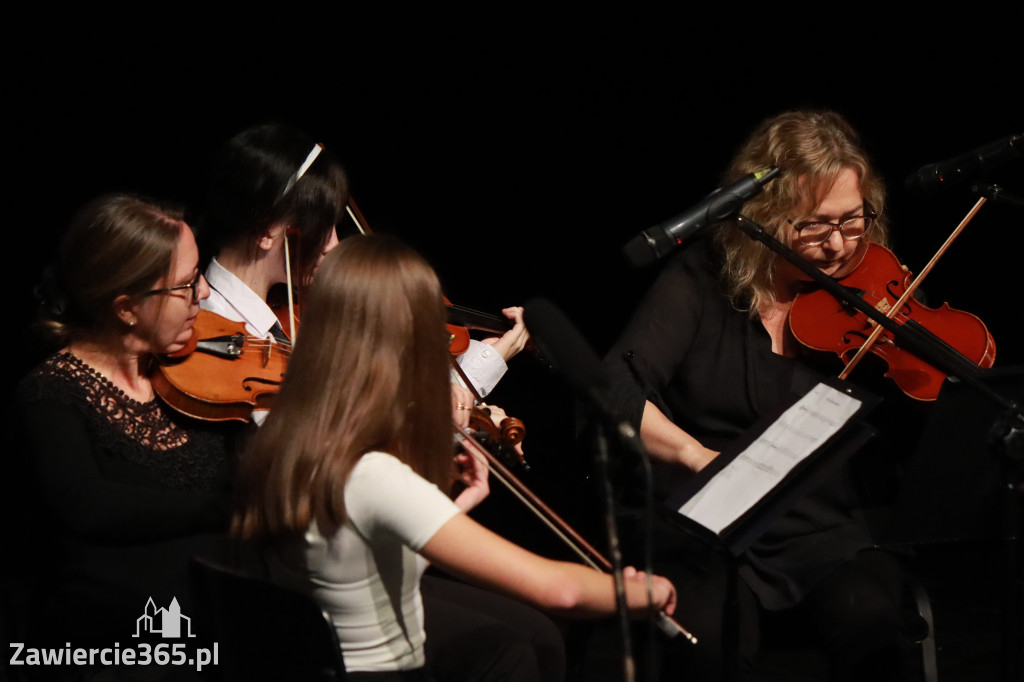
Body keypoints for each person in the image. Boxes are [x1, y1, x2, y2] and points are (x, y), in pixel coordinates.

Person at [195, 123, 562, 682]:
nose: (338, 245)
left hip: (348, 555)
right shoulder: (211, 336)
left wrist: (482, 364)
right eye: (324, 227)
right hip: (297, 586)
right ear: (269, 231)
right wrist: (450, 395)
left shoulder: (290, 318)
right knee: (511, 648)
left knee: (538, 635)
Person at [232, 234, 677, 680]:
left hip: (323, 658)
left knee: (532, 639)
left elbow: (358, 551)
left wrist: (454, 504)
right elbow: (558, 590)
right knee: (517, 652)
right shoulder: (374, 476)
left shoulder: (282, 429)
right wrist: (646, 591)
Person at [600, 110, 913, 681]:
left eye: (854, 220)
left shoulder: (863, 299)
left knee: (870, 620)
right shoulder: (700, 281)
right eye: (817, 226)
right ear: (765, 216)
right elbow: (615, 389)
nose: (841, 245)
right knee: (705, 642)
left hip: (818, 524)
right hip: (709, 522)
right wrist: (697, 456)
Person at [13, 194, 241, 680]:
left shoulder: (197, 373)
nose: (203, 294)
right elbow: (89, 505)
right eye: (185, 285)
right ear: (127, 309)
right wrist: (229, 509)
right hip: (116, 653)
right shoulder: (49, 395)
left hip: (226, 622)